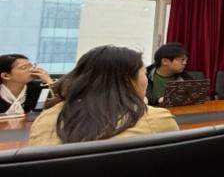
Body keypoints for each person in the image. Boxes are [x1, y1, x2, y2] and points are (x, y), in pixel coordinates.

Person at [28, 45, 179, 145]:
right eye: (144, 74)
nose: (146, 79)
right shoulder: (156, 120)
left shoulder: (46, 119)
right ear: (129, 80)